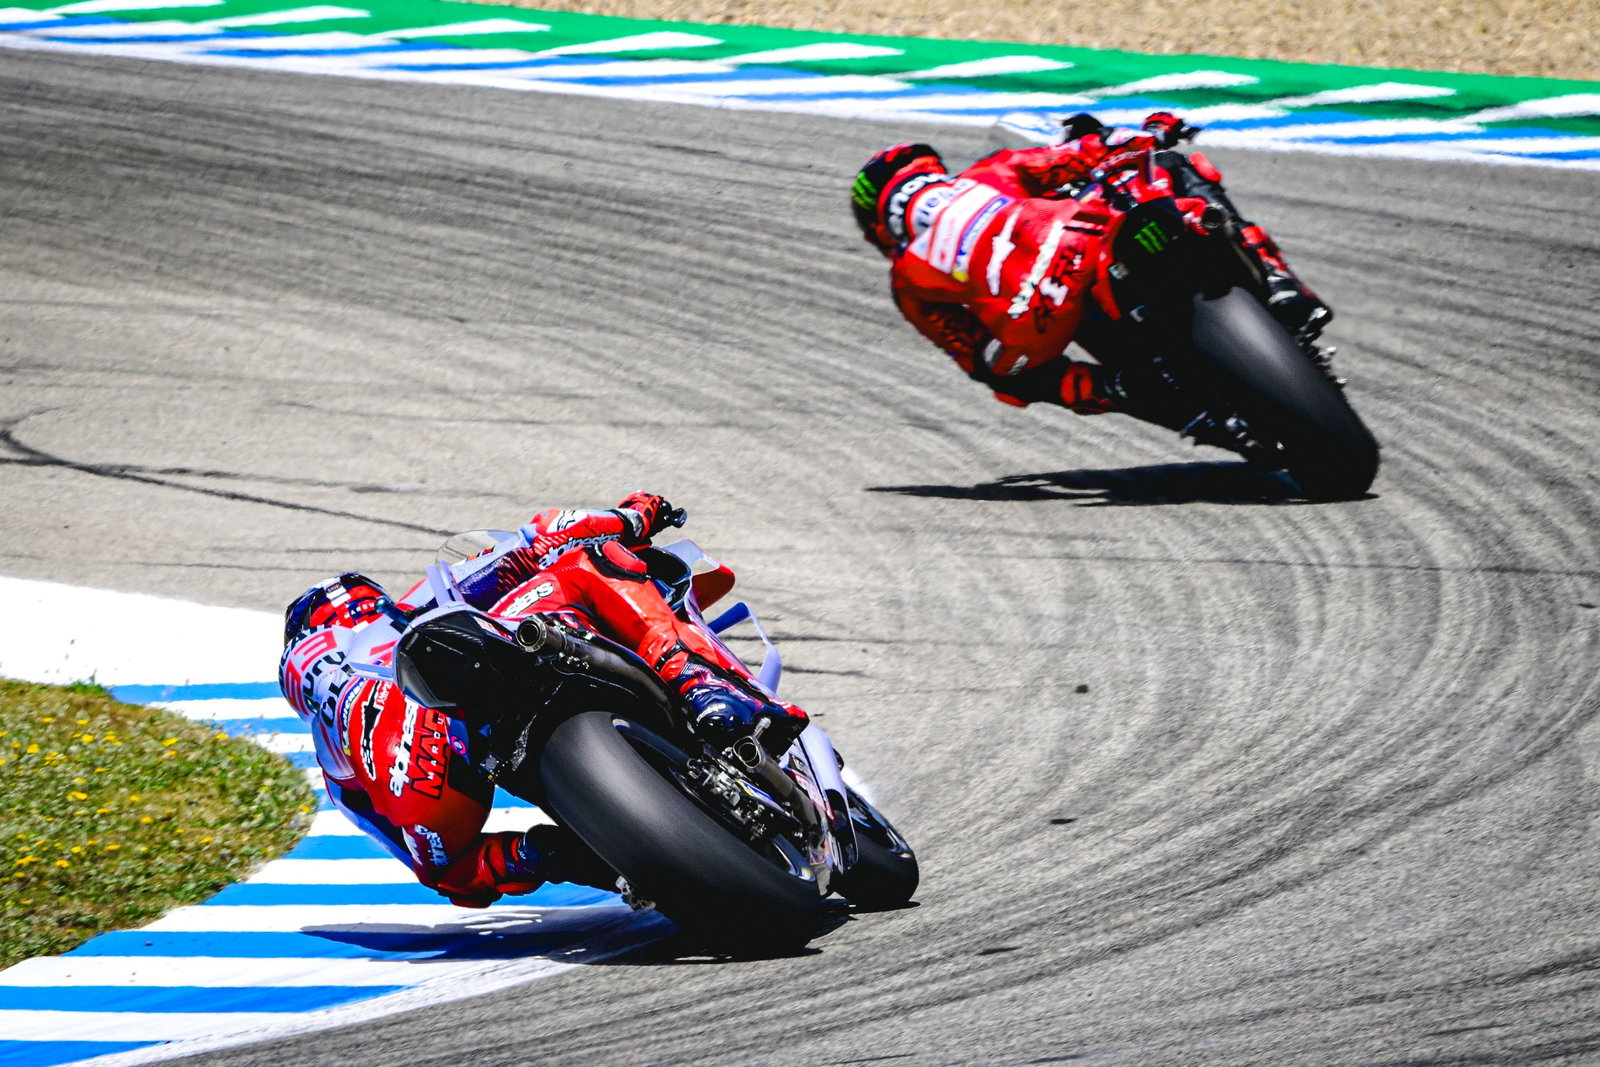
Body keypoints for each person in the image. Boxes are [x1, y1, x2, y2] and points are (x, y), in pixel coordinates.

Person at [277, 492, 808, 908]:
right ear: (367, 602)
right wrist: (636, 515)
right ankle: (699, 684)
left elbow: (441, 874)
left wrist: (532, 858)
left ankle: (580, 856)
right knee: (584, 563)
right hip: (459, 709)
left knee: (458, 866)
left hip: (422, 788)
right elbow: (543, 536)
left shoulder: (333, 765)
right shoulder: (411, 609)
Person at [850, 112, 1332, 431]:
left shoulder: (909, 277)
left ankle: (1128, 391)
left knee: (1006, 374)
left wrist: (1016, 356)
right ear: (932, 174)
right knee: (1173, 165)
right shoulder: (990, 173)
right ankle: (1275, 278)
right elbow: (1083, 153)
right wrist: (1153, 130)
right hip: (1084, 245)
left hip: (1037, 322)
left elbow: (974, 357)